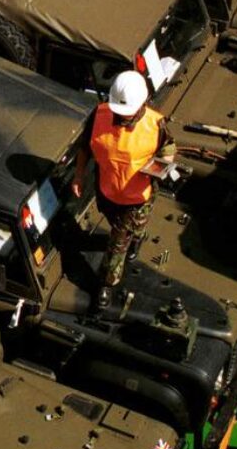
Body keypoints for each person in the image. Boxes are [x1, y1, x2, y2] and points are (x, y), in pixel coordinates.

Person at [73, 70, 176, 308]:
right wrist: (79, 176)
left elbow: (169, 150)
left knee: (117, 243)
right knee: (127, 230)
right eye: (119, 113)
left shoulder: (155, 124)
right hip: (107, 192)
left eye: (127, 114)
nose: (122, 118)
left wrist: (160, 167)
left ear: (143, 104)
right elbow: (85, 148)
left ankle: (106, 284)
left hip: (137, 198)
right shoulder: (99, 115)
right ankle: (136, 238)